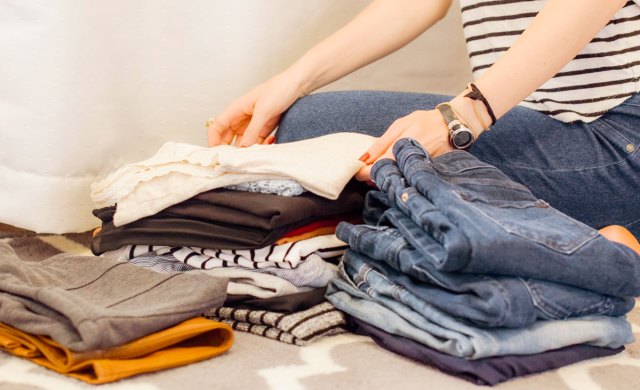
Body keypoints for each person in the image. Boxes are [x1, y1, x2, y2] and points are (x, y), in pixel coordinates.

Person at [205, 0, 640, 247]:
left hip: (615, 135)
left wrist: (467, 114)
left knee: (317, 135)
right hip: (535, 123)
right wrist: (290, 82)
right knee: (302, 126)